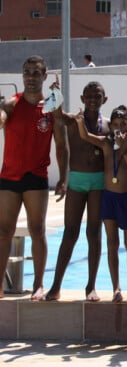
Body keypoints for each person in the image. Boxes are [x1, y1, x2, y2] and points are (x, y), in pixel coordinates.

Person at [0, 55, 68, 300]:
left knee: (37, 230)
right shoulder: (11, 104)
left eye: (36, 73)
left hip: (36, 177)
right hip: (9, 177)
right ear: (22, 75)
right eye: (27, 72)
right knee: (3, 232)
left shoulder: (51, 104)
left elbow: (61, 144)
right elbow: (2, 118)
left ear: (45, 75)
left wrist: (64, 177)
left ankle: (38, 284)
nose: (31, 77)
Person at [45, 81, 109, 302]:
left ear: (104, 99)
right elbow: (57, 115)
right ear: (82, 99)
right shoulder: (73, 120)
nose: (92, 100)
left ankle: (90, 285)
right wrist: (55, 93)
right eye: (88, 96)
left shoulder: (108, 125)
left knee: (94, 233)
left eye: (97, 96)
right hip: (77, 182)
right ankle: (56, 285)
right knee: (69, 233)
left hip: (98, 184)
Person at [75, 105, 127, 303]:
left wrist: (124, 146)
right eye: (115, 124)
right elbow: (86, 136)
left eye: (124, 124)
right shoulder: (105, 143)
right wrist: (80, 123)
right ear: (110, 125)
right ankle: (117, 288)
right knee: (112, 244)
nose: (119, 128)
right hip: (109, 198)